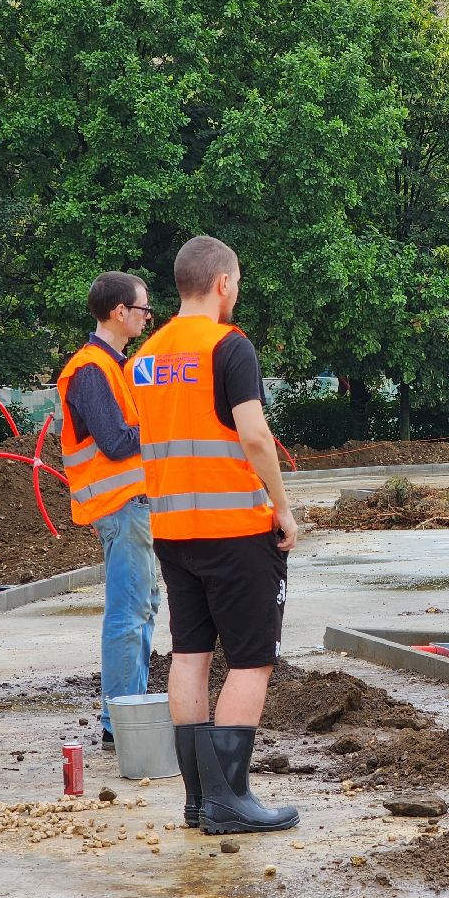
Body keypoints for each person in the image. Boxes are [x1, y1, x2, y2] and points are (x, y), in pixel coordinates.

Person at [128, 236, 299, 835]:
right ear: (223, 283)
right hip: (235, 530)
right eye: (237, 283)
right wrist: (282, 507)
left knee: (190, 656)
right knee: (252, 661)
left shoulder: (144, 358)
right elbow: (253, 436)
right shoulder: (230, 347)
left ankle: (199, 800)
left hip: (173, 531)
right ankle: (232, 799)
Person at [54, 272, 160, 753]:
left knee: (141, 609)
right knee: (129, 613)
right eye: (143, 310)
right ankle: (122, 720)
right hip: (120, 508)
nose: (146, 317)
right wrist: (165, 432)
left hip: (130, 507)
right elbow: (117, 442)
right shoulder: (92, 370)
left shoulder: (112, 366)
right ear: (119, 311)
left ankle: (125, 713)